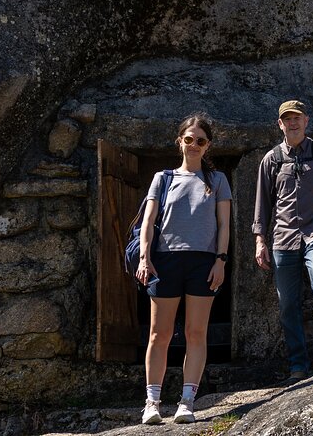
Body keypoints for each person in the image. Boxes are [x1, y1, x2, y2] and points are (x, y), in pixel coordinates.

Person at [136, 113, 232, 425]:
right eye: (188, 139)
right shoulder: (162, 178)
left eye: (200, 141)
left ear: (208, 146)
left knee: (195, 332)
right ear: (180, 141)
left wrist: (221, 259)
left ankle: (187, 402)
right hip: (165, 260)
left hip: (203, 262)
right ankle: (152, 403)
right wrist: (143, 257)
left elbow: (224, 224)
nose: (193, 145)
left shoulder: (217, 180)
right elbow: (148, 221)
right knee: (158, 334)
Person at [252, 100, 313, 384]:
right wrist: (260, 240)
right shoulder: (271, 160)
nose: (292, 123)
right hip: (283, 238)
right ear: (280, 124)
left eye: (297, 118)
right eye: (287, 119)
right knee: (287, 303)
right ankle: (298, 364)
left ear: (306, 121)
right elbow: (262, 204)